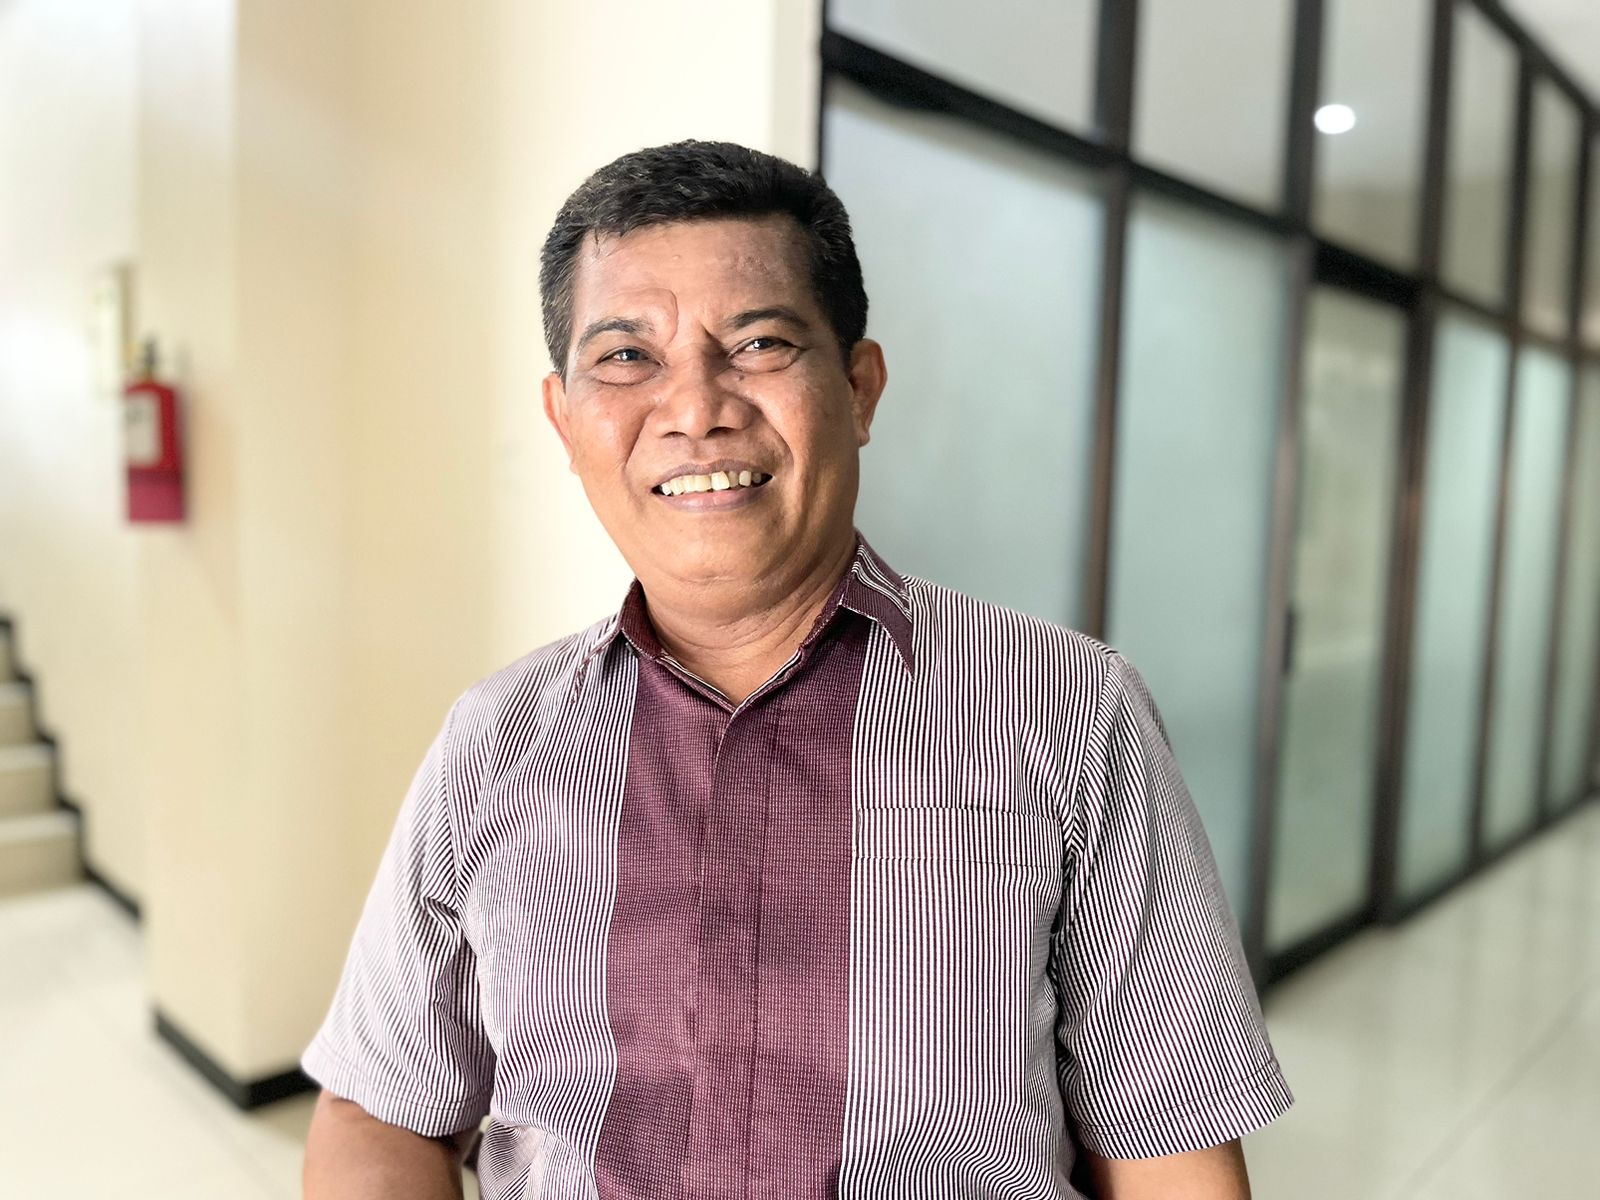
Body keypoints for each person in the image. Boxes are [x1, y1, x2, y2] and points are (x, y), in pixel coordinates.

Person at [301, 140, 1292, 1200]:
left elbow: (1168, 1145)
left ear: (859, 388)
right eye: (628, 357)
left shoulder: (1068, 711)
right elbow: (378, 1109)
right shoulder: (496, 741)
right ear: (564, 419)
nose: (697, 409)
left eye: (760, 343)